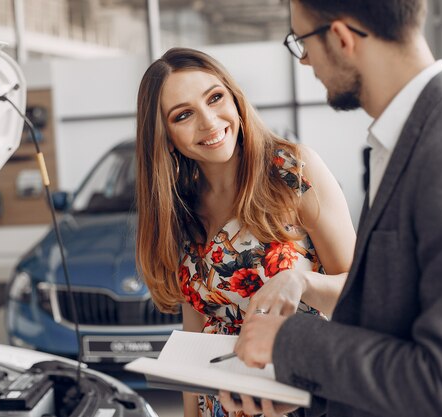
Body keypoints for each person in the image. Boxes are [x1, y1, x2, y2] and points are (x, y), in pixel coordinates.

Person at [219, 0, 442, 416]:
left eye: (302, 43)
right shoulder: (405, 140)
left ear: (340, 38)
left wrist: (287, 343)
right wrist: (300, 385)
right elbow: (395, 330)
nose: (304, 63)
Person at [135, 47, 356, 417]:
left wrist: (300, 283)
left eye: (215, 98)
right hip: (218, 403)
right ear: (166, 137)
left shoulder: (292, 170)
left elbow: (360, 293)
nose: (208, 122)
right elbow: (196, 328)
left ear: (235, 99)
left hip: (296, 397)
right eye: (184, 114)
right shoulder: (181, 206)